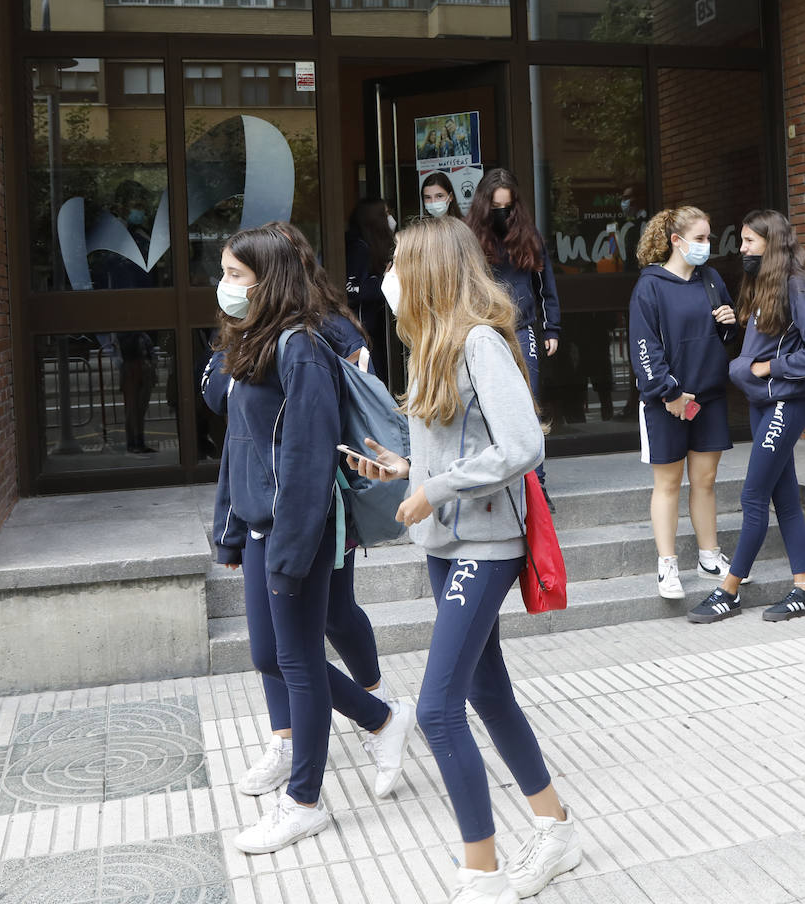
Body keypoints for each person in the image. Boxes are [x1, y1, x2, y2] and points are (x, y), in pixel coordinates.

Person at [348, 216, 582, 903]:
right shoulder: (431, 346)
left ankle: (481, 873)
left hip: (486, 543)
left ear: (428, 270)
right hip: (448, 544)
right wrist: (405, 468)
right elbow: (454, 447)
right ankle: (556, 828)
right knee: (484, 691)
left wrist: (438, 488)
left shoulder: (479, 342)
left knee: (438, 708)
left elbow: (521, 447)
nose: (388, 276)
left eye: (397, 263)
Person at [210, 225, 413, 855]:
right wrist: (231, 525)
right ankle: (382, 718)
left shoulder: (302, 347)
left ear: (267, 281)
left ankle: (303, 802)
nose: (226, 287)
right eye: (226, 273)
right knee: (271, 657)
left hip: (297, 533)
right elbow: (239, 447)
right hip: (261, 527)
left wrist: (292, 552)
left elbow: (306, 457)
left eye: (237, 276)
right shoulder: (250, 342)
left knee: (297, 663)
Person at [690, 209, 805, 624]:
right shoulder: (763, 283)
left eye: (749, 242)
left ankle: (729, 590)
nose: (742, 249)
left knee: (753, 496)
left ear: (770, 244)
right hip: (764, 403)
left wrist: (767, 368)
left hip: (786, 402)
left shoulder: (795, 285)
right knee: (782, 496)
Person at [628, 206, 740, 600]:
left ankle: (709, 557)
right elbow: (644, 347)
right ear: (676, 240)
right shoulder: (650, 286)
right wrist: (670, 392)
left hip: (708, 397)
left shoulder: (711, 280)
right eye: (700, 238)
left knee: (706, 481)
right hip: (666, 401)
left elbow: (726, 340)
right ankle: (667, 565)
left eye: (708, 237)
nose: (707, 246)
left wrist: (730, 324)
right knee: (669, 483)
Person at [466, 167, 561, 508]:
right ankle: (497, 483)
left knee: (529, 408)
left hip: (522, 330)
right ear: (484, 205)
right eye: (496, 207)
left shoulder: (528, 235)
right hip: (482, 332)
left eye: (507, 206)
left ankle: (537, 485)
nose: (502, 214)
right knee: (486, 408)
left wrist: (552, 328)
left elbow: (544, 285)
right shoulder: (469, 237)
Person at [345, 198, 395, 374]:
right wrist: (386, 280)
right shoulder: (358, 249)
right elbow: (353, 289)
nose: (391, 218)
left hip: (376, 328)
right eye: (386, 214)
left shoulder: (371, 247)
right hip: (364, 332)